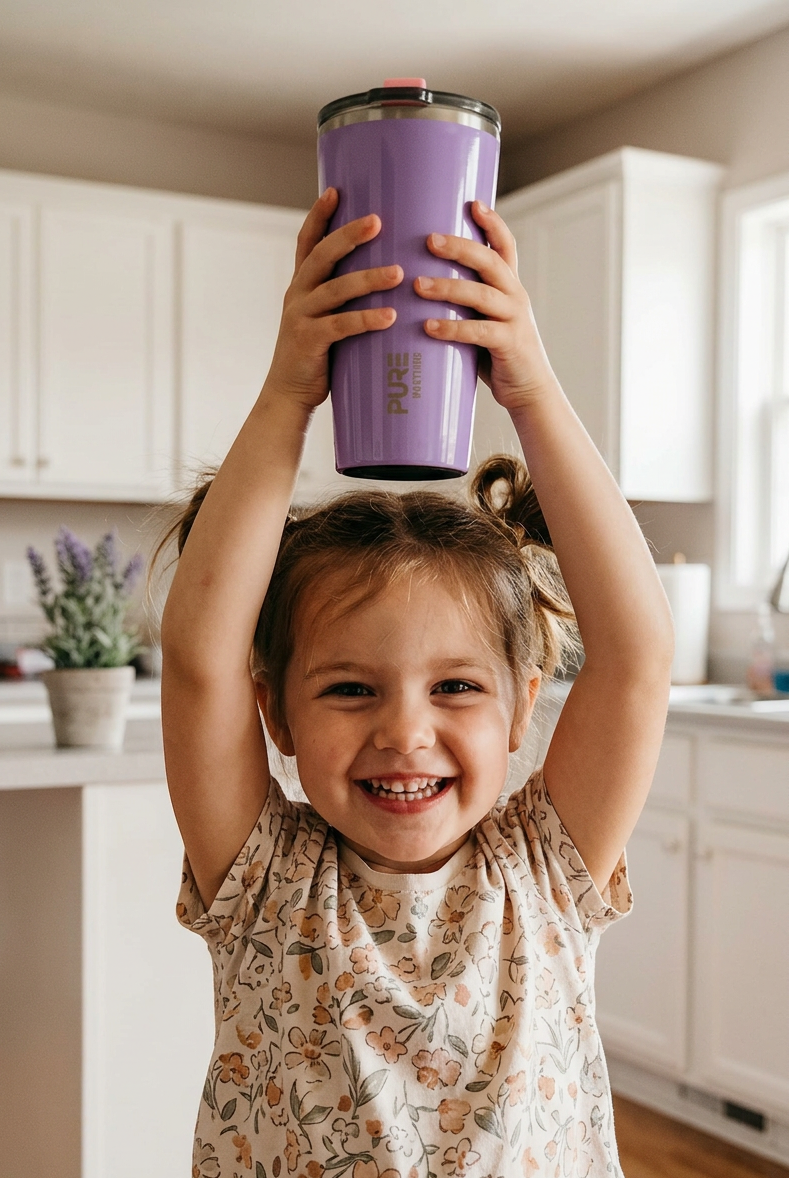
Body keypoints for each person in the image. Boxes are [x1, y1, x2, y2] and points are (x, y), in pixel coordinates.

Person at [160, 188, 674, 1178]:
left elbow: (637, 657)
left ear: (525, 704)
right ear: (275, 709)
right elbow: (197, 661)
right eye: (350, 689)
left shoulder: (545, 872)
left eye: (454, 688)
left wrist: (528, 386)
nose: (405, 730)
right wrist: (286, 393)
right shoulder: (263, 880)